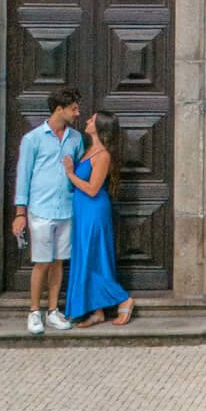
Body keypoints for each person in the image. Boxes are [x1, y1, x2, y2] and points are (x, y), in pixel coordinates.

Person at [12, 86, 83, 335]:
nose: (77, 112)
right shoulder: (33, 139)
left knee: (58, 262)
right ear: (58, 109)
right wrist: (20, 212)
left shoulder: (75, 139)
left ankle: (53, 311)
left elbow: (80, 170)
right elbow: (23, 176)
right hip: (40, 208)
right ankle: (34, 311)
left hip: (66, 207)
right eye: (73, 108)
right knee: (41, 262)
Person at [63, 109, 136, 328]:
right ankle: (97, 311)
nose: (87, 121)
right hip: (84, 211)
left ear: (100, 126)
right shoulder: (88, 150)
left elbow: (93, 189)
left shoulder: (102, 155)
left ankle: (123, 299)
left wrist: (70, 174)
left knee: (94, 256)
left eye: (92, 120)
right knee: (87, 257)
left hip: (94, 210)